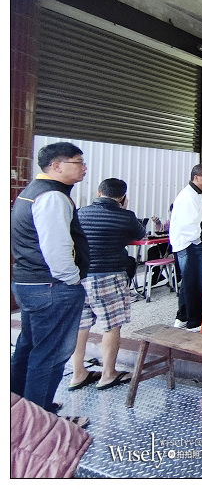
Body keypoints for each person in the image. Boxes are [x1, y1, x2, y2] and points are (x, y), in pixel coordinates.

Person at [11, 142, 90, 425]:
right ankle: (40, 423)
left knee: (29, 348)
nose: (84, 168)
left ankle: (20, 413)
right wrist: (72, 280)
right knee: (50, 355)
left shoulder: (31, 192)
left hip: (31, 283)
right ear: (56, 166)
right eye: (78, 162)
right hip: (52, 286)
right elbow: (56, 248)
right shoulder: (52, 197)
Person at [70, 178, 146, 391]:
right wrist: (124, 210)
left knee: (81, 326)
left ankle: (78, 374)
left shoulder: (80, 213)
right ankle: (108, 374)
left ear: (98, 192)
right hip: (109, 275)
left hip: (80, 276)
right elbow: (141, 234)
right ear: (123, 197)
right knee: (112, 325)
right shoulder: (125, 216)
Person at [170, 164, 202, 331]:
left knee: (189, 282)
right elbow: (186, 224)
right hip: (190, 244)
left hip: (193, 243)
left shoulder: (197, 193)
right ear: (196, 177)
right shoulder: (187, 195)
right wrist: (200, 237)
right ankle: (194, 322)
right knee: (195, 283)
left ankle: (183, 316)